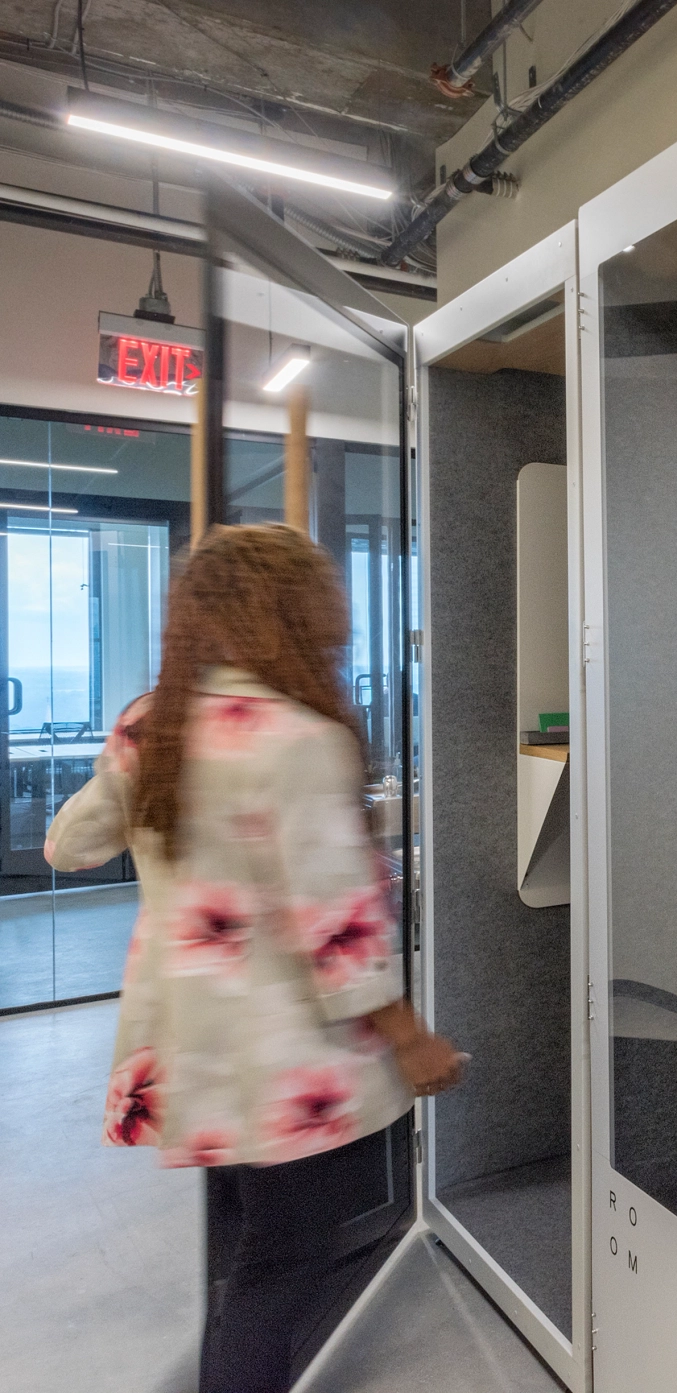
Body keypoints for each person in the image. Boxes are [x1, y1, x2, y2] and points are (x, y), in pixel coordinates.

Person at [46, 524, 465, 1393]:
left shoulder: (146, 724)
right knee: (281, 1275)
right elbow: (339, 931)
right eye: (322, 594)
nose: (337, 612)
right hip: (289, 1067)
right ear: (289, 608)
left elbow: (67, 845)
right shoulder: (299, 737)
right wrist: (413, 1038)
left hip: (194, 1054)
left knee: (244, 1266)